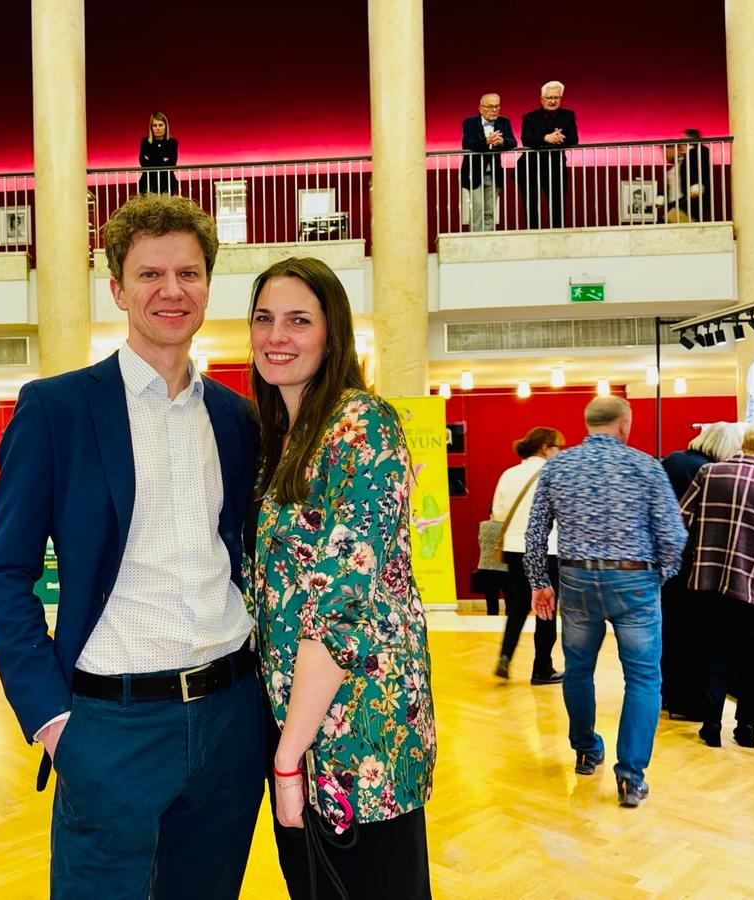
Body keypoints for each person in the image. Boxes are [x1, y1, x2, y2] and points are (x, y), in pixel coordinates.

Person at [0, 193, 262, 900]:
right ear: (117, 289)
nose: (172, 291)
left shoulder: (236, 418)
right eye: (150, 275)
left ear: (207, 285)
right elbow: (5, 573)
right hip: (110, 725)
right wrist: (53, 720)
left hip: (230, 717)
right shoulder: (57, 408)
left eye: (190, 274)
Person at [246, 257, 435, 899]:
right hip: (302, 723)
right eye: (264, 318)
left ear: (333, 334)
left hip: (358, 736)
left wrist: (286, 757)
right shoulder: (287, 437)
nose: (278, 335)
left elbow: (340, 604)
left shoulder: (362, 424)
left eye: (300, 320)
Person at [525, 396, 686, 808]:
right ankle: (631, 777)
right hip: (634, 579)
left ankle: (585, 750)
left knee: (578, 670)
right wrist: (659, 575)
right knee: (644, 678)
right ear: (624, 424)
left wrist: (540, 581)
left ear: (588, 424)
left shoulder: (558, 466)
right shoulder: (646, 465)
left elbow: (535, 531)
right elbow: (673, 535)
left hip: (577, 578)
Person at [679, 418, 754, 749]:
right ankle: (746, 727)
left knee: (712, 652)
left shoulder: (708, 474)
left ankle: (710, 724)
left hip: (708, 582)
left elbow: (681, 522)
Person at [658, 422, 744, 720]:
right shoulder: (707, 472)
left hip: (665, 563)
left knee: (669, 632)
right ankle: (686, 702)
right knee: (693, 636)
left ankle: (668, 695)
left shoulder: (672, 460)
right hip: (693, 564)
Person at [491, 427, 564, 684]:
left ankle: (505, 656)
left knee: (518, 608)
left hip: (514, 548)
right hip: (547, 550)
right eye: (558, 447)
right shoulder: (553, 473)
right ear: (545, 447)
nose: (560, 452)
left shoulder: (508, 474)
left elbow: (498, 514)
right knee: (546, 609)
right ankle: (542, 668)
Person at [516, 80, 579, 228]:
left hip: (556, 166)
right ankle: (532, 235)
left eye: (556, 98)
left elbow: (574, 139)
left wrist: (559, 139)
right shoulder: (529, 118)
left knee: (558, 203)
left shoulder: (568, 115)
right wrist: (546, 138)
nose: (553, 101)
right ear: (542, 99)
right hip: (530, 168)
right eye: (549, 98)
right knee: (531, 204)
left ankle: (557, 236)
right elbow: (526, 140)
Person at [460, 93, 517, 232]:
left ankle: (489, 241)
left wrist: (502, 141)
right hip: (474, 172)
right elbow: (467, 143)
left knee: (490, 210)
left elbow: (513, 142)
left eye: (497, 106)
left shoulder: (504, 122)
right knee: (477, 209)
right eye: (490, 106)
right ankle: (476, 241)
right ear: (480, 108)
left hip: (494, 173)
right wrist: (487, 141)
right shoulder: (470, 122)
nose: (494, 110)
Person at [658, 129, 712, 223]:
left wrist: (698, 185)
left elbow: (703, 170)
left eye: (683, 139)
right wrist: (661, 197)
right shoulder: (679, 163)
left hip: (687, 203)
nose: (681, 141)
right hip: (675, 204)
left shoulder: (698, 152)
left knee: (663, 226)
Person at [137, 111, 179, 195]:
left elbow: (172, 164)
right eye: (155, 125)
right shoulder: (145, 142)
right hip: (147, 184)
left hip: (167, 184)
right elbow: (143, 163)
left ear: (165, 126)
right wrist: (163, 159)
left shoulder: (172, 142)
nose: (158, 128)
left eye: (160, 125)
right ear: (151, 127)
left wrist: (152, 159)